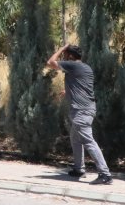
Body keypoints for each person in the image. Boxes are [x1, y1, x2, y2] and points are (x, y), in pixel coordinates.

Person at [46, 44, 112, 184]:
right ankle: (79, 169)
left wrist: (61, 48)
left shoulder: (72, 65)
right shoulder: (86, 67)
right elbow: (82, 86)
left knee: (88, 141)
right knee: (75, 138)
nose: (64, 57)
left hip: (81, 111)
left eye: (65, 54)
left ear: (70, 56)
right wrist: (68, 91)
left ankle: (105, 174)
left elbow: (50, 62)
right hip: (87, 109)